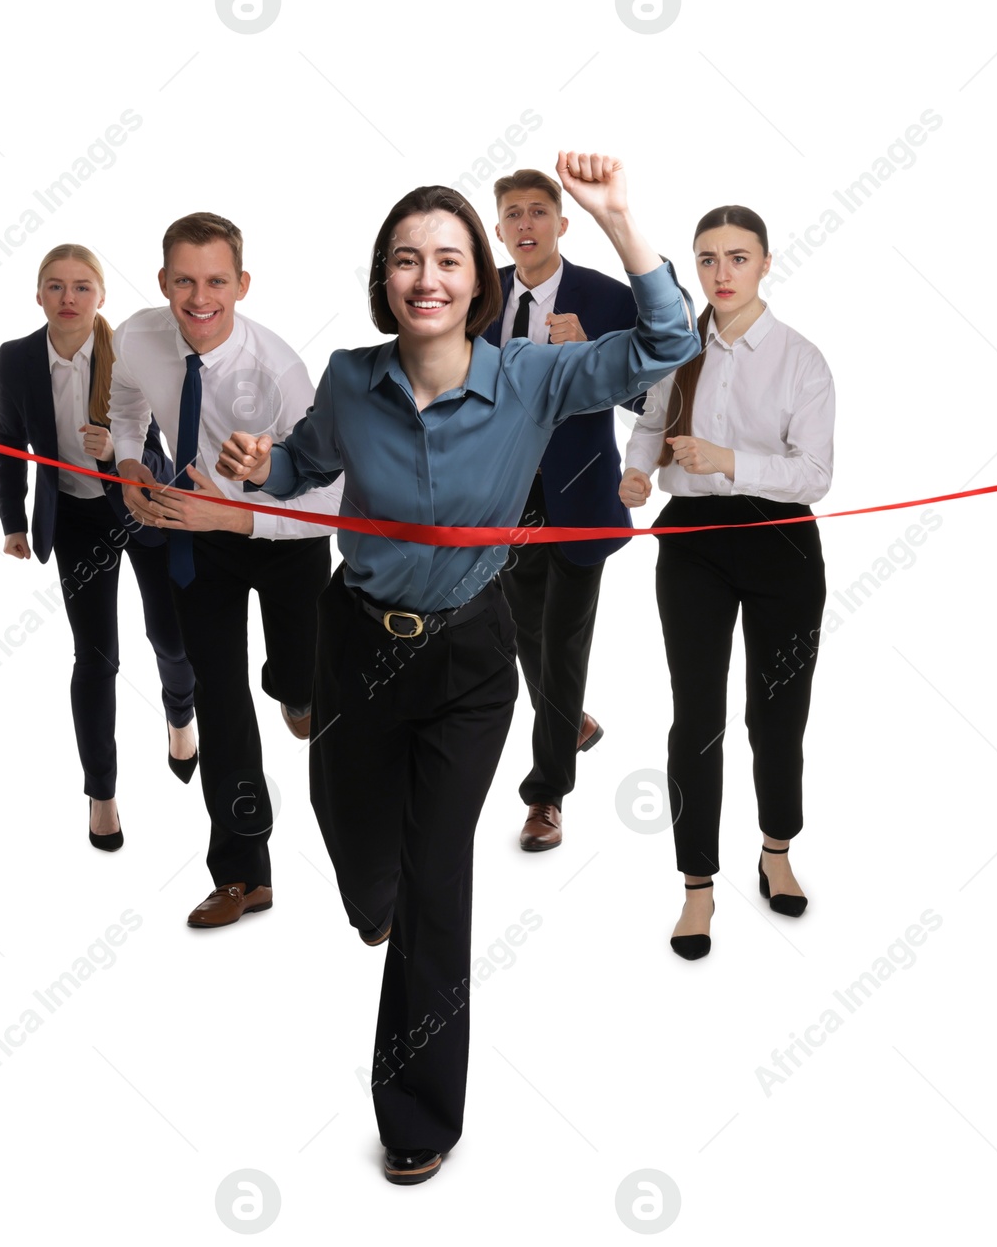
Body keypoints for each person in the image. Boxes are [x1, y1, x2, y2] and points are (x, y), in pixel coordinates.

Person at [216, 152, 700, 1185]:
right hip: (355, 648)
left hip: (471, 661)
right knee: (354, 843)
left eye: (445, 259)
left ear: (476, 279)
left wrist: (617, 220)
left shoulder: (533, 376)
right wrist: (267, 463)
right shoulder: (352, 375)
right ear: (383, 280)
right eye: (404, 260)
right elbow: (308, 460)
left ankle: (418, 1113)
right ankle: (370, 890)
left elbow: (665, 342)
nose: (425, 278)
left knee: (440, 881)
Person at [108, 212, 342, 929]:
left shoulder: (279, 371)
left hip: (285, 535)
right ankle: (244, 871)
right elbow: (125, 405)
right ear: (163, 282)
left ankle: (295, 689)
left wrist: (238, 516)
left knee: (303, 685)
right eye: (184, 280)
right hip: (197, 534)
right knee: (219, 694)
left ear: (241, 284)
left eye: (215, 280)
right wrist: (126, 467)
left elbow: (331, 499)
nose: (198, 297)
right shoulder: (141, 336)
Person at [619, 205, 836, 960]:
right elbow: (651, 426)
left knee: (776, 716)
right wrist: (638, 473)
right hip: (693, 543)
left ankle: (776, 852)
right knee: (696, 718)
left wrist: (730, 461)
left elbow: (816, 473)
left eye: (737, 258)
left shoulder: (802, 359)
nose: (721, 274)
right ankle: (697, 887)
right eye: (707, 259)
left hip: (782, 544)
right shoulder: (681, 350)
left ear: (766, 264)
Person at [0, 243, 198, 852]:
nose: (68, 298)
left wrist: (119, 452)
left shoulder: (129, 354)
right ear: (38, 296)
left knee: (170, 635)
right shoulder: (17, 358)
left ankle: (181, 715)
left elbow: (170, 459)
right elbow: (8, 444)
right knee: (96, 658)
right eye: (55, 287)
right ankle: (101, 792)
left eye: (82, 287)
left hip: (141, 508)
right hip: (77, 521)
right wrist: (14, 521)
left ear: (101, 297)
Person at [483, 167, 642, 851]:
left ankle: (546, 794)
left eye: (538, 212)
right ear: (498, 229)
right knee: (525, 631)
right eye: (513, 213)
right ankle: (568, 718)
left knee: (564, 640)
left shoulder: (606, 298)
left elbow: (650, 397)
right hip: (505, 497)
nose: (526, 224)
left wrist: (595, 358)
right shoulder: (475, 294)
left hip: (580, 495)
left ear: (561, 224)